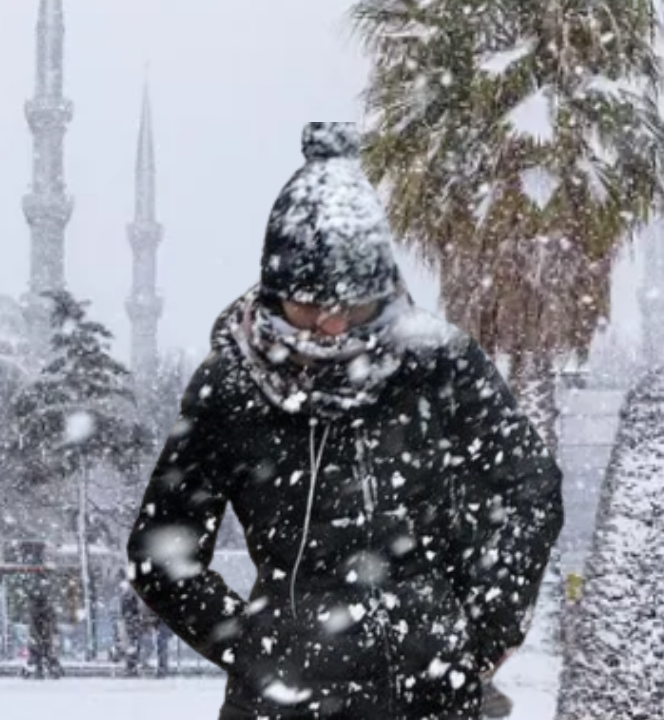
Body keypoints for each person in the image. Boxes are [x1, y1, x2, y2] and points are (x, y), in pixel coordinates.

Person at [126, 122, 563, 719]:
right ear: (275, 290)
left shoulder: (440, 364)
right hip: (281, 704)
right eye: (309, 305)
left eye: (350, 306)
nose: (330, 327)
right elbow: (161, 552)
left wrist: (480, 630)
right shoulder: (231, 387)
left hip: (431, 695)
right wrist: (254, 647)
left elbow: (529, 490)